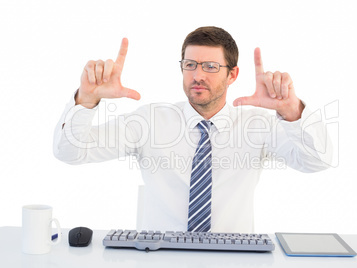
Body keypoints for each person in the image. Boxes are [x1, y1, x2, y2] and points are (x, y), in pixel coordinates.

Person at [54, 26, 332, 233]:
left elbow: (318, 161)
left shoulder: (256, 126)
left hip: (233, 259)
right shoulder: (149, 121)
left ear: (232, 75)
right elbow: (70, 152)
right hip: (160, 257)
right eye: (190, 65)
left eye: (211, 66)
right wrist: (86, 100)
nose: (197, 75)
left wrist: (292, 112)